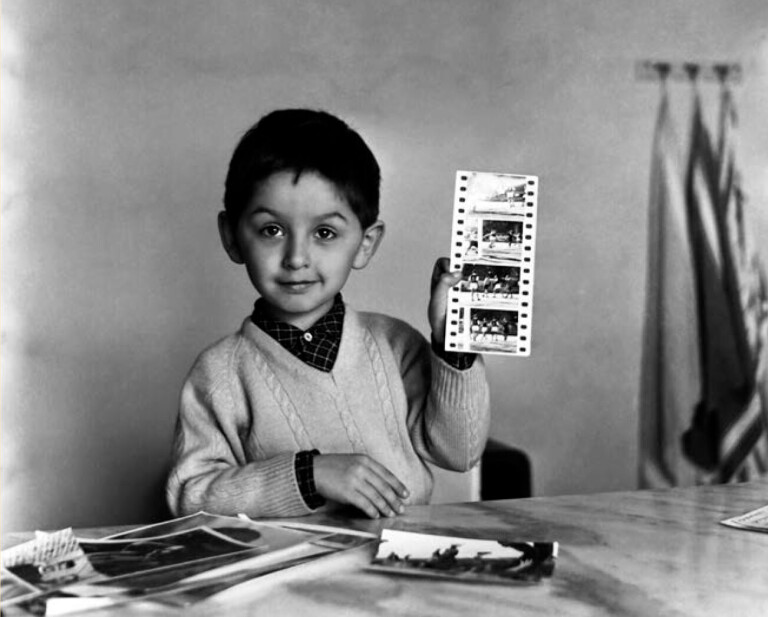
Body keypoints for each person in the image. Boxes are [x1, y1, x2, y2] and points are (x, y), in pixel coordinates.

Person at [166, 109, 490, 520]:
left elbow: (460, 453)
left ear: (366, 244)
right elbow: (190, 497)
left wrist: (452, 346)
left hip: (401, 565)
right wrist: (308, 475)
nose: (297, 258)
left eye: (325, 233)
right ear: (232, 237)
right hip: (284, 576)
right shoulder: (219, 373)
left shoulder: (395, 345)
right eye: (272, 230)